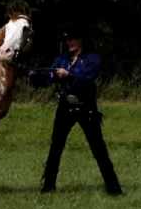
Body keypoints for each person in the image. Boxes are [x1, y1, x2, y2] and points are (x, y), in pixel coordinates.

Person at [30, 26, 122, 195]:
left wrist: (68, 75)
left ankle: (114, 188)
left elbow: (86, 78)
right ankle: (48, 186)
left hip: (86, 109)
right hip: (65, 108)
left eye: (73, 39)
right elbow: (49, 78)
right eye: (67, 40)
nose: (69, 43)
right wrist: (36, 76)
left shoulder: (92, 59)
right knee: (56, 147)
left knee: (98, 149)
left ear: (81, 41)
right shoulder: (61, 60)